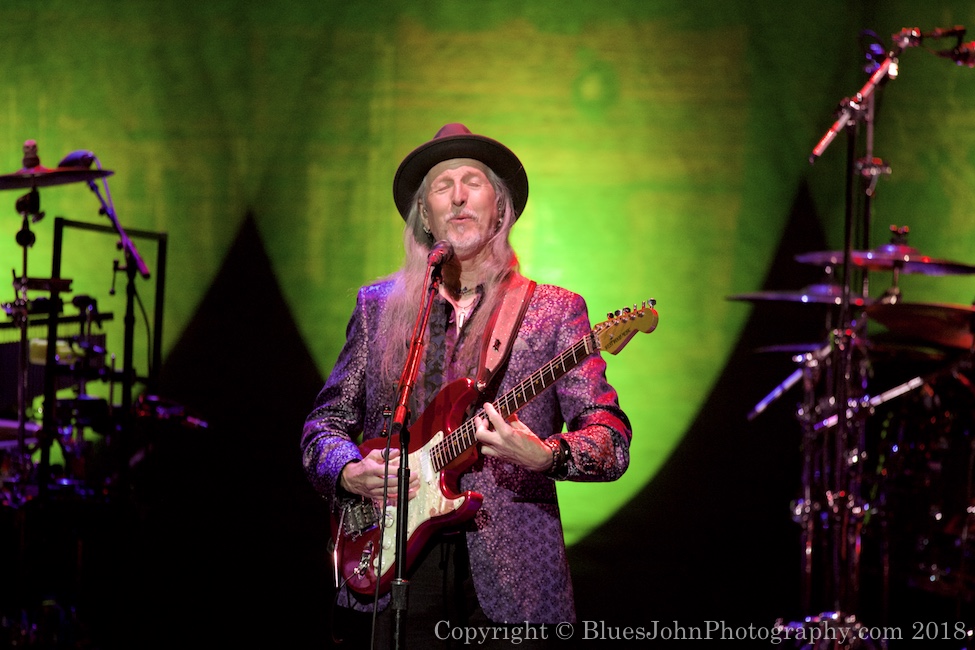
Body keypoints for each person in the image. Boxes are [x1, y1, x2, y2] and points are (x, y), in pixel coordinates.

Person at [301, 123, 632, 648]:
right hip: (391, 563)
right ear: (426, 216)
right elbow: (325, 425)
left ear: (500, 209)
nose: (457, 196)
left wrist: (546, 454)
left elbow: (610, 439)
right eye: (441, 186)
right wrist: (347, 471)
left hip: (514, 581)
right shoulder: (378, 307)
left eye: (472, 181)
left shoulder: (554, 311)